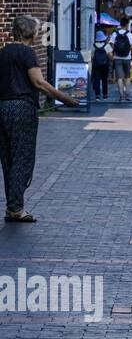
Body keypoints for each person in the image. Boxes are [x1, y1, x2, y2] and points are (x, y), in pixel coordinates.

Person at [0, 15, 79, 222]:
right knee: (22, 158)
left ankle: (12, 206)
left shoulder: (4, 52)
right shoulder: (27, 53)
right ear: (31, 33)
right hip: (22, 108)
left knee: (7, 158)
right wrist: (65, 99)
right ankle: (16, 208)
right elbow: (39, 83)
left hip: (2, 107)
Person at [109, 23, 132, 99]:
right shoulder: (129, 34)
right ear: (126, 25)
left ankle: (121, 95)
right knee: (127, 77)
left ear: (120, 25)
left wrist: (112, 55)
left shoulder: (114, 34)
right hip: (127, 58)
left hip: (117, 58)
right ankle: (127, 94)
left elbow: (112, 46)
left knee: (119, 78)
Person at [90, 30, 111, 101]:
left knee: (97, 80)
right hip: (105, 65)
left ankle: (97, 96)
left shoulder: (93, 46)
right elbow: (110, 55)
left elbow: (92, 57)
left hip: (96, 65)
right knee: (105, 80)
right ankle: (105, 95)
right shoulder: (107, 45)